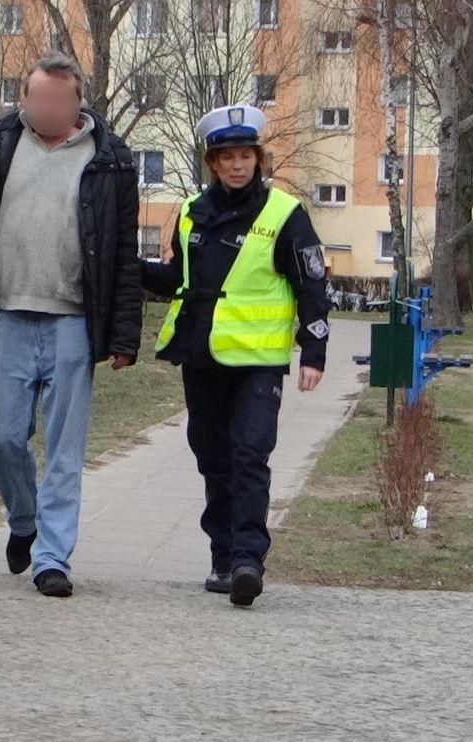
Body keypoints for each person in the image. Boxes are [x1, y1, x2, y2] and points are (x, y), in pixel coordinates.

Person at [0, 53, 142, 598]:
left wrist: (122, 333)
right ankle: (23, 518)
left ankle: (52, 559)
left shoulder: (111, 159)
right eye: (35, 98)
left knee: (65, 450)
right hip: (5, 311)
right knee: (2, 438)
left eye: (56, 100)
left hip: (74, 320)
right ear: (24, 99)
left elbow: (123, 254)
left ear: (77, 103)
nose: (44, 108)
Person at [142, 104, 331, 607]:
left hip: (259, 363)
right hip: (202, 360)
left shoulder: (285, 214)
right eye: (227, 157)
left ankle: (249, 560)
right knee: (212, 458)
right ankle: (223, 557)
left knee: (250, 454)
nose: (238, 165)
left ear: (259, 159)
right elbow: (176, 280)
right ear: (212, 163)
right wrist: (130, 266)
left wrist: (315, 350)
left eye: (247, 155)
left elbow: (312, 283)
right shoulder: (190, 213)